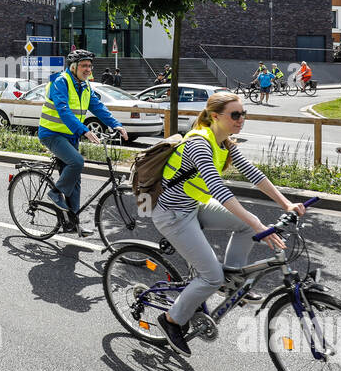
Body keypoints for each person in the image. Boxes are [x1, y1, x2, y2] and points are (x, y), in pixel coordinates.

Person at [152, 92, 304, 354]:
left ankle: (230, 281)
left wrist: (286, 203)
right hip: (172, 213)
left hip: (193, 205)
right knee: (211, 276)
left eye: (244, 114)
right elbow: (219, 189)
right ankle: (171, 320)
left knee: (244, 227)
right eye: (235, 115)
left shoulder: (225, 143)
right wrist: (258, 223)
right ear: (215, 116)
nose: (241, 119)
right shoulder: (199, 142)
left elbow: (253, 174)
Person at [37, 50, 128, 235]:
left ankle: (73, 224)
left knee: (75, 179)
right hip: (51, 134)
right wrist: (84, 130)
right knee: (77, 162)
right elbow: (64, 111)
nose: (88, 69)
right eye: (84, 66)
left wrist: (116, 125)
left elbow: (98, 107)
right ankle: (55, 193)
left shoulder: (85, 85)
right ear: (73, 67)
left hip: (69, 136)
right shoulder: (61, 81)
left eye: (89, 66)